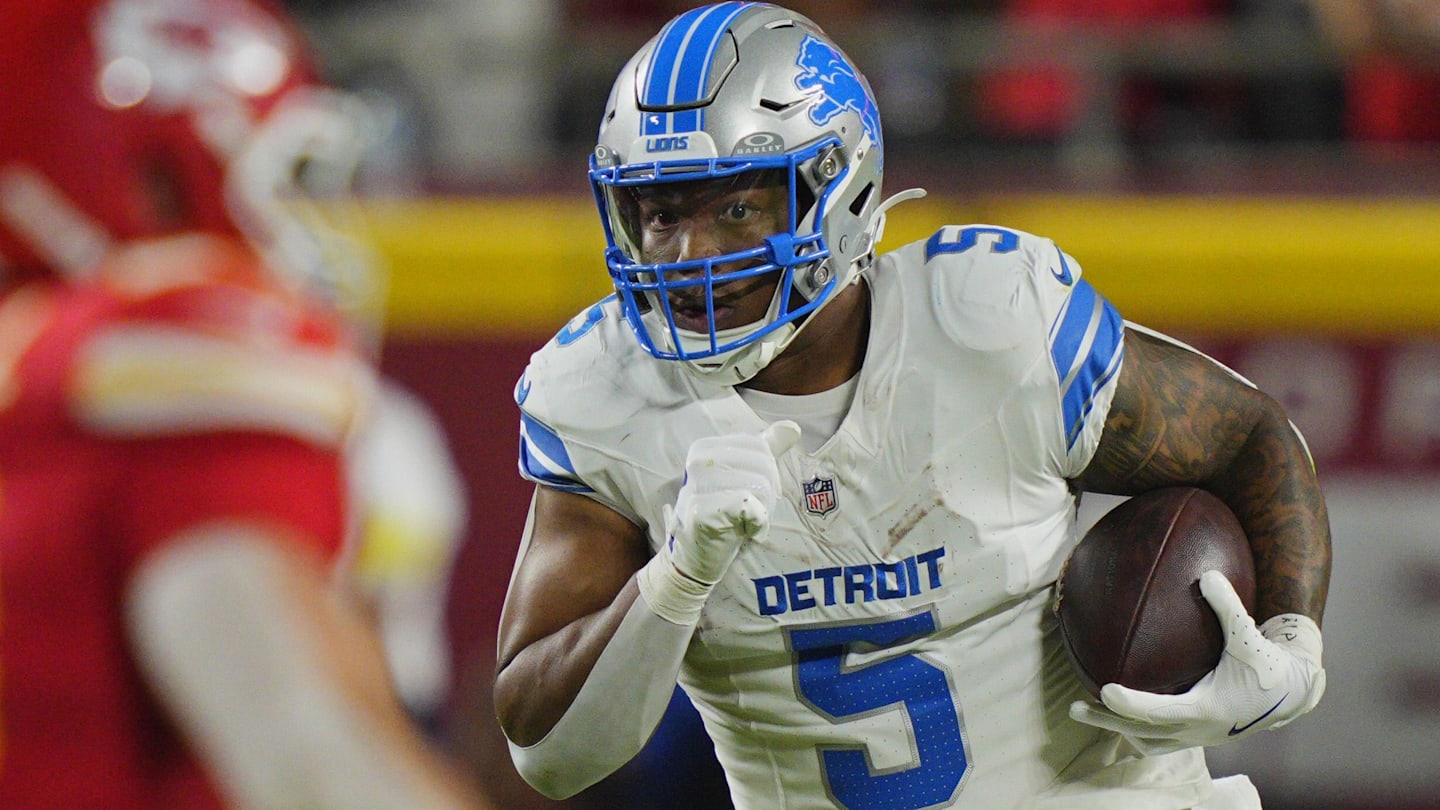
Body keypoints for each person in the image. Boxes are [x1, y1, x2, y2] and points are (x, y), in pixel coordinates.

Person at [492, 3, 1330, 809]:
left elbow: (1251, 436)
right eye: (662, 213)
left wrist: (1292, 643)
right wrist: (675, 579)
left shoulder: (987, 320)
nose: (690, 254)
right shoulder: (607, 390)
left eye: (738, 209)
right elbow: (550, 757)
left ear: (840, 188)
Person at [0, 1, 490, 808]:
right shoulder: (164, 355)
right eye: (283, 183)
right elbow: (311, 761)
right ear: (151, 183)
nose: (303, 228)